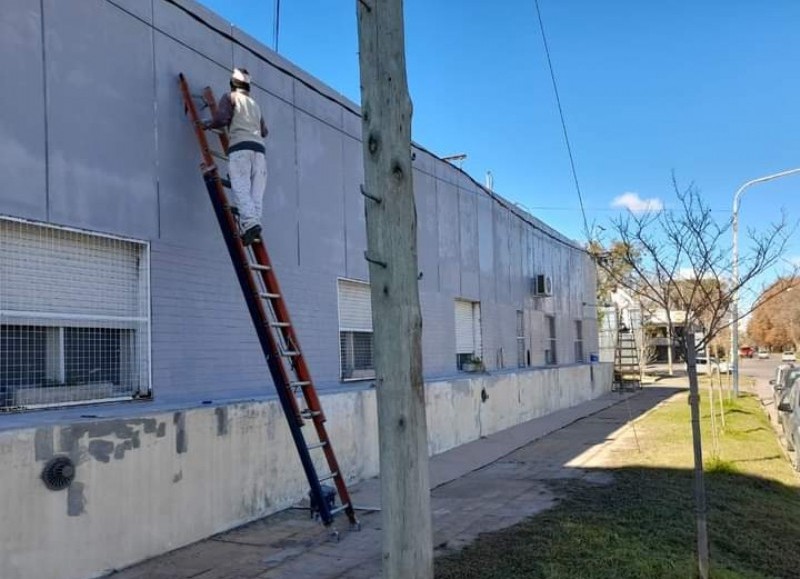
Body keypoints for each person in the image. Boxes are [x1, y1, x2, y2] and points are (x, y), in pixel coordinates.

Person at [204, 68, 269, 245]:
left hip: (240, 149)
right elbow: (264, 131)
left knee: (240, 188)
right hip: (260, 153)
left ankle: (250, 225)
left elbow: (222, 119)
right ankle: (254, 226)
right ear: (248, 86)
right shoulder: (255, 105)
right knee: (256, 194)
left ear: (233, 84)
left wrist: (207, 124)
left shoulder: (230, 97)